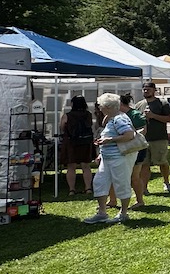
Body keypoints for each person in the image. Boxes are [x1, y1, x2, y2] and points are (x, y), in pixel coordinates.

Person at [84, 92, 137, 224]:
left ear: (107, 106)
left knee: (121, 183)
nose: (99, 108)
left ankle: (123, 213)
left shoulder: (120, 119)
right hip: (108, 158)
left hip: (119, 158)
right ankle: (102, 213)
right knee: (99, 182)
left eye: (100, 105)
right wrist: (102, 153)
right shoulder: (112, 118)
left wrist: (109, 140)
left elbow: (129, 135)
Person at [137, 83, 170, 193]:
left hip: (159, 137)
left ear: (154, 90)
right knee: (144, 164)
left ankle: (167, 182)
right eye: (144, 89)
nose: (146, 91)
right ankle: (144, 188)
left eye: (148, 89)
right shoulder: (139, 105)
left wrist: (153, 116)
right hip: (143, 139)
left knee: (161, 161)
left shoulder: (162, 103)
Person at [60, 95, 96, 196]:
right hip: (85, 142)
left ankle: (72, 189)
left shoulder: (67, 115)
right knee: (86, 166)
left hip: (72, 143)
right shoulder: (88, 114)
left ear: (73, 104)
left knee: (71, 166)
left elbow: (62, 127)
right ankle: (88, 188)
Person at [120, 94, 148, 208]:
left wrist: (130, 136)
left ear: (120, 104)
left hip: (136, 148)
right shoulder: (118, 115)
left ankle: (139, 200)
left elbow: (144, 130)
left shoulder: (134, 114)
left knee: (134, 176)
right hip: (125, 149)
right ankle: (113, 200)